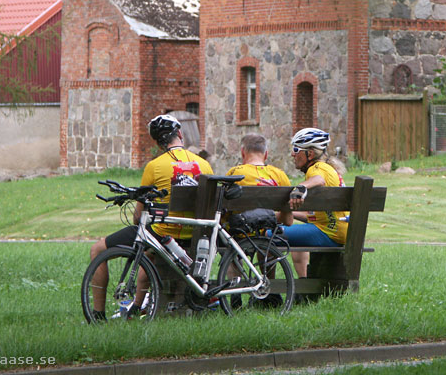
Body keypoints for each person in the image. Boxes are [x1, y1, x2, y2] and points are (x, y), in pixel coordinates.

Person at [87, 114, 213, 320]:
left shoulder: (155, 166)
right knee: (148, 254)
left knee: (98, 249)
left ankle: (98, 314)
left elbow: (138, 215)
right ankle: (137, 306)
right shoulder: (204, 165)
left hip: (164, 234)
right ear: (179, 134)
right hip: (196, 233)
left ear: (157, 142)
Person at [281, 127, 348, 278]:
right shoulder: (328, 168)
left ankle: (268, 290)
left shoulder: (316, 168)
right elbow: (312, 216)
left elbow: (319, 180)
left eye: (296, 149)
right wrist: (286, 211)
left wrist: (300, 188)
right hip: (338, 230)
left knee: (268, 235)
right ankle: (304, 284)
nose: (293, 154)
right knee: (284, 232)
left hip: (330, 233)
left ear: (309, 154)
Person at [226, 133, 293, 225]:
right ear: (266, 154)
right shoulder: (279, 175)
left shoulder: (235, 173)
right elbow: (288, 221)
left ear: (242, 152)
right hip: (269, 234)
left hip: (239, 233)